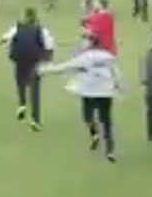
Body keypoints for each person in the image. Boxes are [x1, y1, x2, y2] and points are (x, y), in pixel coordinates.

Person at [41, 33, 122, 162]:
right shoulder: (108, 57)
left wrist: (45, 70)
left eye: (85, 40)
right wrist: (119, 88)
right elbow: (116, 73)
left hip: (89, 93)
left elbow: (64, 67)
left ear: (90, 43)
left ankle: (94, 132)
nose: (83, 43)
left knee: (87, 117)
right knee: (106, 122)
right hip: (105, 92)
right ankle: (110, 151)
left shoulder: (85, 57)